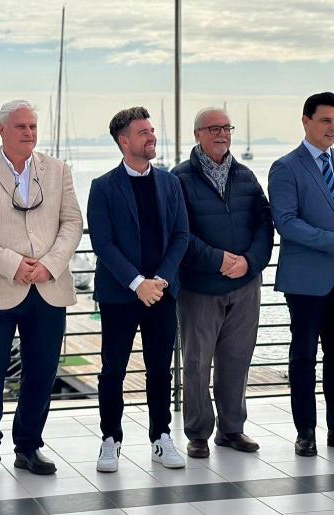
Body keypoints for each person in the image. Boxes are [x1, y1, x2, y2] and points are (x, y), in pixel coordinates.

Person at [0, 100, 83, 481]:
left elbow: (72, 222)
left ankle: (28, 446)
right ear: (1, 130)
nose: (29, 132)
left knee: (42, 371)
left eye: (32, 126)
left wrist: (50, 264)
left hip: (49, 286)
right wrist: (14, 265)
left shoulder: (58, 170)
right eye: (21, 127)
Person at [269, 92, 334, 457]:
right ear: (306, 121)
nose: (333, 127)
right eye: (326, 120)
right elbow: (285, 222)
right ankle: (306, 432)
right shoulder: (286, 167)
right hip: (306, 280)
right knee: (303, 357)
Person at [87, 106, 189, 472]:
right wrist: (137, 283)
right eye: (143, 132)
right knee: (112, 368)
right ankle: (110, 440)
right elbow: (104, 243)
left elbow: (181, 235)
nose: (151, 137)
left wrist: (159, 279)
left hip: (162, 292)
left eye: (152, 130)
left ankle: (161, 438)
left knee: (159, 368)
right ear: (124, 141)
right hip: (119, 294)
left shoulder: (170, 183)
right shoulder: (103, 187)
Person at [172, 107, 274, 459]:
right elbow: (179, 233)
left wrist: (248, 262)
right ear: (198, 134)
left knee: (236, 360)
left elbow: (265, 226)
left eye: (226, 128)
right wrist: (218, 260)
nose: (222, 134)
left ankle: (232, 430)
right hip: (200, 288)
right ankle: (198, 432)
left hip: (245, 285)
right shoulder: (180, 178)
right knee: (197, 363)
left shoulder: (246, 177)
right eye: (213, 128)